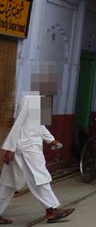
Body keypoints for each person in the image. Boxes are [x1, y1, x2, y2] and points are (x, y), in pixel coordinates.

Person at [0, 95, 74, 224]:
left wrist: (50, 140)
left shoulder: (42, 101)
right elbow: (18, 123)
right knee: (39, 178)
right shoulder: (30, 98)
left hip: (28, 146)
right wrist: (10, 148)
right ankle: (52, 210)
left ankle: (51, 210)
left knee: (9, 183)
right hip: (26, 147)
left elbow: (40, 125)